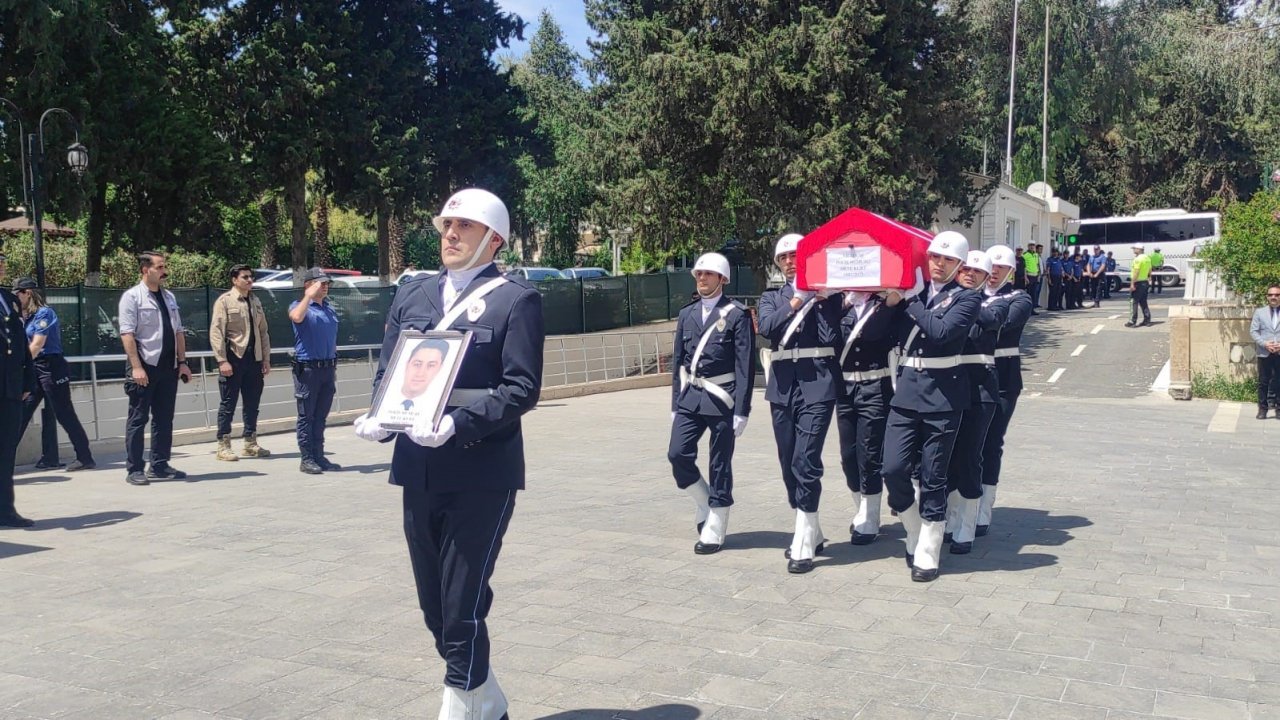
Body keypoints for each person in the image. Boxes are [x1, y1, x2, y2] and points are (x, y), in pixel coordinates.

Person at [352, 187, 544, 720]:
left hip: (482, 468)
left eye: (464, 227)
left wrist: (459, 422)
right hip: (418, 466)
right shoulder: (413, 294)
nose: (451, 235)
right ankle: (489, 700)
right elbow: (391, 371)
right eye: (446, 226)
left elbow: (521, 388)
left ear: (494, 239)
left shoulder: (516, 299)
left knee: (462, 602)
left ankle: (457, 705)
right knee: (435, 606)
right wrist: (381, 418)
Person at [881, 231, 981, 582]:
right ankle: (913, 526)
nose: (939, 264)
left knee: (933, 474)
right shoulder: (915, 292)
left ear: (959, 265)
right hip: (907, 391)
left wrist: (909, 302)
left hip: (943, 395)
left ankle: (929, 545)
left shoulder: (967, 298)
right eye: (935, 257)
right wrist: (890, 303)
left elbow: (941, 333)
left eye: (948, 259)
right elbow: (885, 334)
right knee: (892, 468)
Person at [757, 233, 843, 574]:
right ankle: (812, 525)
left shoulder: (828, 297)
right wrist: (796, 301)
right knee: (788, 461)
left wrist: (822, 301)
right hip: (782, 385)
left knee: (805, 460)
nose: (790, 261)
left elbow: (831, 337)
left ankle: (804, 540)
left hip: (817, 383)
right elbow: (767, 328)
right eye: (784, 257)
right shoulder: (772, 297)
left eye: (796, 255)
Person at [667, 252, 754, 554]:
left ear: (722, 279)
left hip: (722, 398)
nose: (702, 278)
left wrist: (742, 409)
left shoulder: (737, 314)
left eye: (708, 274)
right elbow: (678, 362)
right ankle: (704, 500)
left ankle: (717, 520)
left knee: (719, 462)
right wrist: (675, 403)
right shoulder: (686, 314)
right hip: (691, 397)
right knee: (677, 453)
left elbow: (745, 366)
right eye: (699, 274)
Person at [944, 251, 1007, 555]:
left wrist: (964, 301)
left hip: (980, 390)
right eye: (965, 269)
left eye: (977, 272)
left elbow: (993, 321)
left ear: (985, 277)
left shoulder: (994, 303)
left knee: (970, 455)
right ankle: (951, 515)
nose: (969, 274)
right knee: (947, 457)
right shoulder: (944, 299)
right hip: (949, 387)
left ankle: (967, 524)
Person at [119, 251, 193, 486]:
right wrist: (136, 367)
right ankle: (134, 469)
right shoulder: (132, 297)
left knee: (164, 418)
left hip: (168, 367)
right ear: (145, 270)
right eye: (159, 267)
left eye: (164, 267)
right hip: (144, 366)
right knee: (138, 418)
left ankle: (159, 465)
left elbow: (178, 331)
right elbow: (127, 334)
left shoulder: (169, 297)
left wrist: (183, 362)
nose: (164, 271)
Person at [834, 284, 897, 546]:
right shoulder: (838, 305)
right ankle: (861, 508)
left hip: (875, 386)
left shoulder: (885, 305)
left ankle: (870, 517)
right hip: (845, 388)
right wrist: (843, 305)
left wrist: (887, 302)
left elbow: (878, 334)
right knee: (848, 456)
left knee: (869, 453)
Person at [978, 245, 1033, 536]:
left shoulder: (1019, 298)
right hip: (972, 376)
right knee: (968, 444)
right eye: (991, 266)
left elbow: (1004, 324)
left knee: (991, 442)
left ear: (1011, 272)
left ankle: (984, 507)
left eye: (1001, 267)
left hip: (1003, 378)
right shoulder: (971, 295)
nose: (994, 271)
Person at [14, 278, 95, 471]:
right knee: (20, 413)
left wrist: (20, 366)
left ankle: (85, 457)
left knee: (64, 413)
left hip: (51, 366)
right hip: (34, 367)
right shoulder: (25, 317)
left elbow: (37, 344)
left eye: (17, 294)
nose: (15, 299)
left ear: (27, 293)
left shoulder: (45, 313)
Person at [209, 264, 272, 462]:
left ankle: (250, 443)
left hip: (254, 359)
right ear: (234, 280)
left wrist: (265, 358)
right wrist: (222, 360)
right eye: (245, 277)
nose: (249, 280)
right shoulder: (225, 301)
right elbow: (216, 332)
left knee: (252, 404)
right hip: (233, 358)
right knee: (228, 403)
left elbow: (263, 331)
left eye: (251, 277)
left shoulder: (255, 300)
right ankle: (223, 445)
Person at [289, 267, 341, 474]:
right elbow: (296, 317)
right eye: (320, 283)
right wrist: (308, 297)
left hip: (327, 368)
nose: (325, 286)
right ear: (308, 285)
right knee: (307, 416)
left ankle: (319, 455)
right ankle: (307, 458)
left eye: (327, 283)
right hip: (308, 369)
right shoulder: (300, 306)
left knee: (321, 416)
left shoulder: (329, 309)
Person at [0, 254, 36, 527]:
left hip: (10, 387)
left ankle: (5, 511)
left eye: (2, 263)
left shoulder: (9, 299)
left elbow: (21, 343)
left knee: (6, 450)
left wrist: (27, 381)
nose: (1, 267)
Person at [1250, 285, 1280, 420]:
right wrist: (1265, 343)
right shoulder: (1259, 312)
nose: (1273, 297)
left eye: (1277, 295)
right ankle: (1263, 409)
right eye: (1271, 295)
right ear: (1267, 297)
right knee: (1263, 382)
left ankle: (1279, 409)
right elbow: (1254, 331)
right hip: (1264, 352)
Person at [1125, 242, 1152, 328]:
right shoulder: (1147, 258)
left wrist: (1132, 284)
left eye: (1134, 248)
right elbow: (1150, 270)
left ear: (1139, 249)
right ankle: (1147, 320)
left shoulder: (1137, 259)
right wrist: (1149, 278)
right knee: (1143, 302)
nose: (1133, 250)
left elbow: (1136, 272)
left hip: (1138, 283)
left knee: (1134, 302)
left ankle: (1132, 321)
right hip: (1145, 282)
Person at [1022, 245, 1041, 311]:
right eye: (1030, 245)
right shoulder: (1025, 255)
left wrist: (1038, 275)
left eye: (1033, 245)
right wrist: (1025, 277)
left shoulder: (1036, 255)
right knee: (1029, 293)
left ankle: (1032, 309)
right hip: (1029, 276)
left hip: (1035, 276)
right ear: (1028, 246)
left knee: (1034, 294)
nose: (1032, 247)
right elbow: (1024, 267)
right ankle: (1028, 310)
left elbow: (1037, 265)